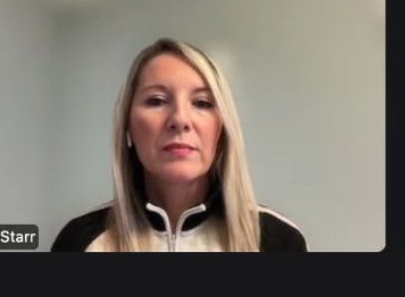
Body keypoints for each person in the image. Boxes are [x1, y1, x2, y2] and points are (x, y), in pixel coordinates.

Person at [50, 38, 306, 252]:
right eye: (157, 100)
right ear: (128, 125)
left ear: (222, 128)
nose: (180, 120)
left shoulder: (278, 241)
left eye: (202, 103)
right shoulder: (79, 241)